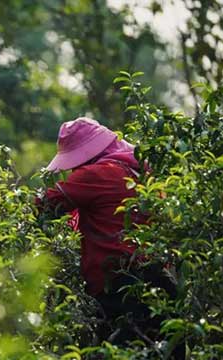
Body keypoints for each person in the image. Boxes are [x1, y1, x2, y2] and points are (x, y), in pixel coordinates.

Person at [39, 117, 177, 347]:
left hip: (119, 289)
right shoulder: (138, 173)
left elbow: (44, 204)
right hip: (160, 279)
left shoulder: (96, 174)